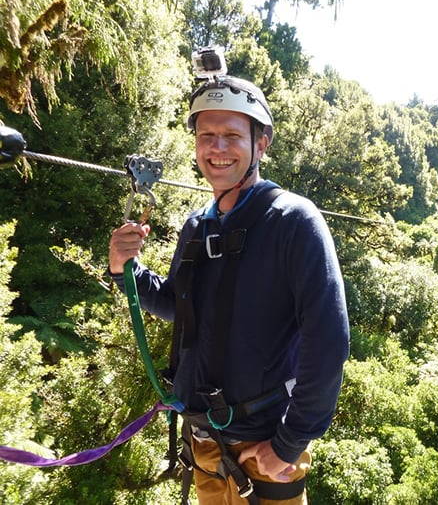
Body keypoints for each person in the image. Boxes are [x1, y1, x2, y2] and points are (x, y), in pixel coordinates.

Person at [108, 75, 350, 504]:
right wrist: (126, 270)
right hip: (204, 441)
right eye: (207, 135)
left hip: (266, 450)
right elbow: (177, 307)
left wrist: (289, 444)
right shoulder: (197, 226)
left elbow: (328, 341)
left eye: (232, 136)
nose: (217, 148)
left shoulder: (295, 222)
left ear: (262, 143)